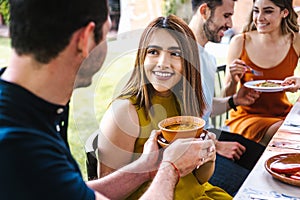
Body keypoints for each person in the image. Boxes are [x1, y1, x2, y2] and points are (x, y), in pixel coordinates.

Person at [0, 0, 218, 199]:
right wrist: (170, 167)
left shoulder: (29, 112)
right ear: (85, 39)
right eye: (106, 36)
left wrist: (147, 166)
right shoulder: (20, 147)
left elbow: (76, 192)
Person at [98, 14, 232, 199]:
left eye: (175, 54)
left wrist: (208, 155)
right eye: (153, 51)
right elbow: (107, 194)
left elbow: (199, 179)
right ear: (142, 57)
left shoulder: (185, 102)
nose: (162, 63)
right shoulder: (124, 112)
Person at [188, 0, 265, 195]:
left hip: (207, 137)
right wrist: (215, 145)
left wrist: (234, 101)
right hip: (187, 152)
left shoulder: (207, 58)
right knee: (254, 188)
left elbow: (203, 107)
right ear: (204, 11)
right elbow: (170, 121)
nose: (230, 25)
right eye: (226, 16)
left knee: (265, 161)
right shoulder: (176, 57)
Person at [223, 0, 300, 147]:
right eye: (256, 11)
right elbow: (226, 98)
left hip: (283, 114)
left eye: (268, 11)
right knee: (285, 132)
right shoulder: (240, 42)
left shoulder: (295, 41)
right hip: (247, 117)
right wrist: (233, 81)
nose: (259, 17)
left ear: (284, 13)